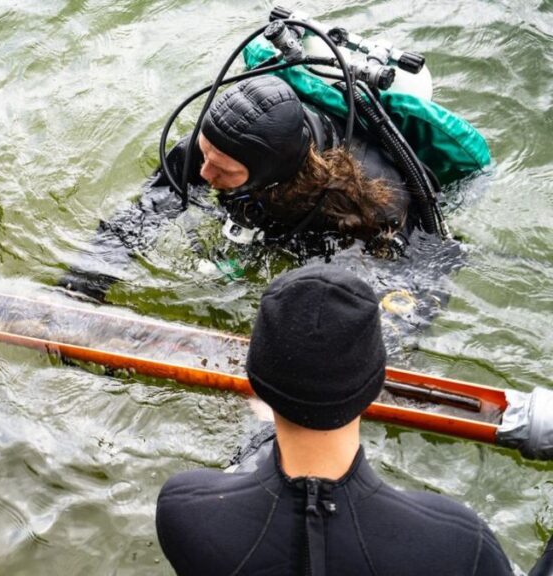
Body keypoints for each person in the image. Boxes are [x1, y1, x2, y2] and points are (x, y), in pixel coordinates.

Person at [153, 265, 551, 575]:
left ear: (256, 382)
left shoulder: (184, 510)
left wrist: (263, 432)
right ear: (376, 383)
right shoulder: (458, 541)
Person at [59, 75, 417, 302]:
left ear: (269, 172)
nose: (202, 171)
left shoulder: (373, 201)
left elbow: (414, 278)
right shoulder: (218, 146)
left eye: (222, 170)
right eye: (204, 153)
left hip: (327, 224)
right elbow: (147, 210)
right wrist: (83, 282)